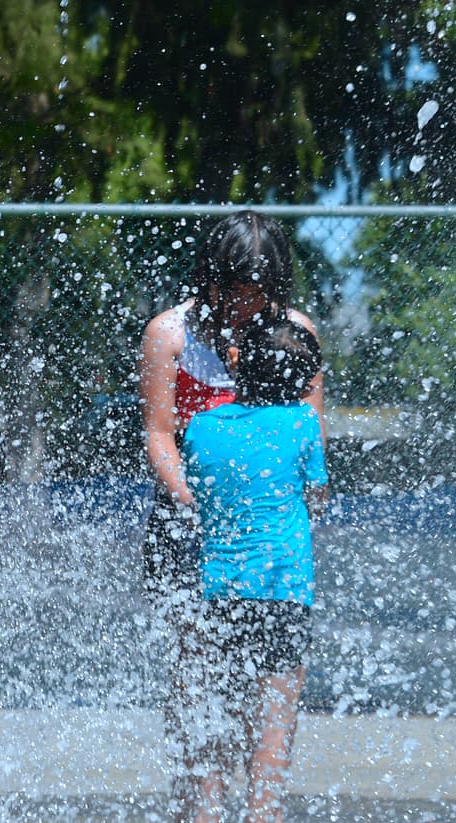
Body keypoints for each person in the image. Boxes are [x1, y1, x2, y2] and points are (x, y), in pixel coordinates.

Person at [137, 210, 325, 821]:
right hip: (186, 527)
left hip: (263, 543)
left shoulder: (296, 335)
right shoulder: (171, 334)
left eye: (260, 290)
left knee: (263, 688)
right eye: (236, 289)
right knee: (197, 677)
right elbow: (160, 436)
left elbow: (309, 439)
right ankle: (202, 810)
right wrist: (193, 501)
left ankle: (261, 809)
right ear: (209, 279)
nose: (248, 304)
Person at [181, 317, 329, 822]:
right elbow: (317, 496)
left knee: (215, 715)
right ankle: (263, 814)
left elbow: (199, 490)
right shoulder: (304, 425)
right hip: (285, 591)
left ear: (237, 362)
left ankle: (206, 813)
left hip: (221, 591)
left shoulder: (202, 427)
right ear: (304, 381)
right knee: (275, 721)